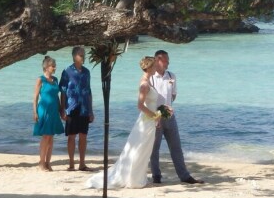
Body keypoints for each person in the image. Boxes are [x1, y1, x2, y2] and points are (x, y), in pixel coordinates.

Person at [85, 56, 161, 189]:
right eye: (154, 66)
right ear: (149, 67)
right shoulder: (144, 84)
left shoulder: (149, 81)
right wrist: (155, 116)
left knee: (145, 149)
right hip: (146, 121)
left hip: (149, 121)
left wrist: (159, 112)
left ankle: (138, 175)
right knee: (141, 148)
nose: (156, 68)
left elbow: (150, 103)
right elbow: (140, 105)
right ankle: (134, 178)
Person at [149, 50, 204, 184]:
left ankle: (184, 176)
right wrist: (156, 113)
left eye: (168, 60)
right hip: (155, 116)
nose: (168, 63)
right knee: (154, 148)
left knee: (176, 147)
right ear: (158, 60)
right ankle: (156, 176)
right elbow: (147, 99)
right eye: (166, 60)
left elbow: (173, 95)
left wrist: (167, 106)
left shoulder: (171, 75)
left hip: (170, 115)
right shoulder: (150, 77)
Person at [59, 46, 94, 171]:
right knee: (72, 136)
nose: (83, 57)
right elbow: (63, 91)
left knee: (83, 136)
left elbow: (89, 91)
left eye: (84, 54)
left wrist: (91, 110)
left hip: (84, 108)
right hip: (71, 107)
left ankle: (82, 163)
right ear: (74, 56)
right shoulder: (67, 71)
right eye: (80, 55)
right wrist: (62, 109)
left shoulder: (86, 72)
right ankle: (71, 163)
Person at [33, 55, 64, 172]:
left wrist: (61, 109)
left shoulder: (55, 80)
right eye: (53, 66)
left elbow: (57, 96)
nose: (55, 68)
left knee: (51, 137)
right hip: (44, 110)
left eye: (55, 66)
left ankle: (48, 162)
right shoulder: (40, 79)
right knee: (45, 136)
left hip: (54, 111)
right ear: (46, 67)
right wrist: (35, 112)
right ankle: (41, 162)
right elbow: (35, 97)